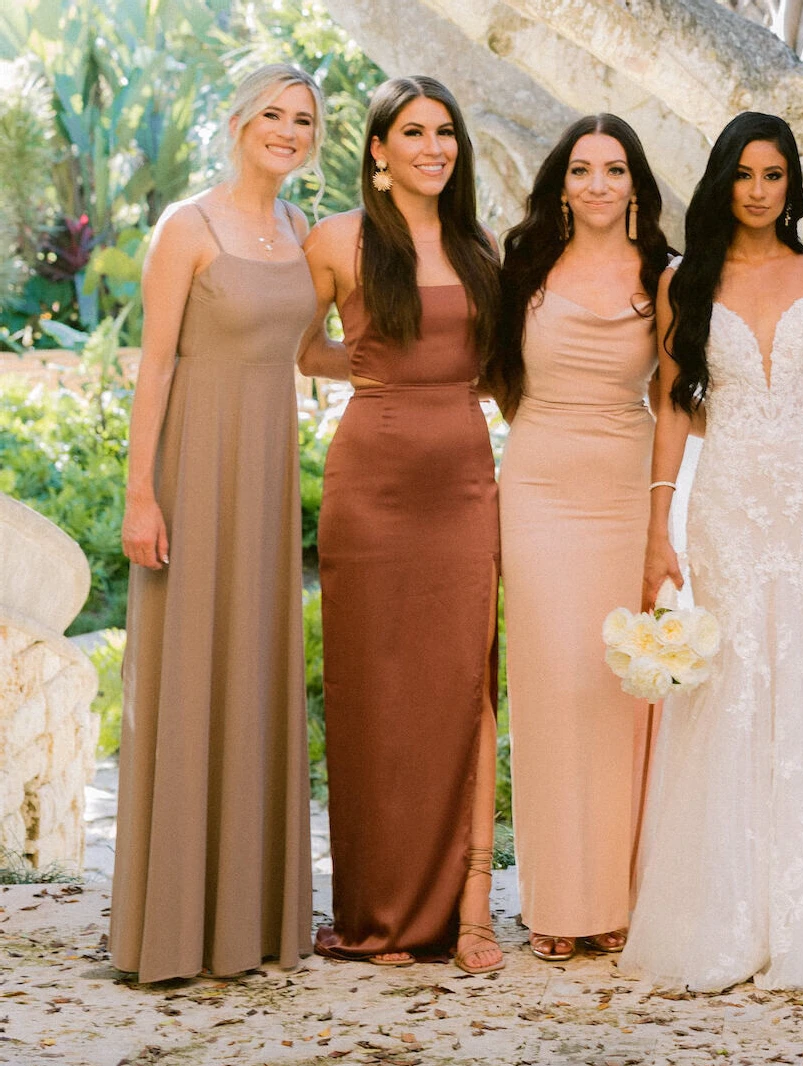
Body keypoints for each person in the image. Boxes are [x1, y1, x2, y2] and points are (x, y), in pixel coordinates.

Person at [621, 112, 803, 991]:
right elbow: (674, 404)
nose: (759, 191)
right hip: (724, 499)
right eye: (744, 175)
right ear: (722, 181)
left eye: (774, 175)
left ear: (791, 186)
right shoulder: (684, 282)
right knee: (732, 683)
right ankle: (720, 914)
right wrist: (660, 525)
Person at [112, 63, 322, 984]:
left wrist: (432, 364)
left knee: (255, 667)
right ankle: (172, 927)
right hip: (194, 472)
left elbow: (311, 349)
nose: (287, 130)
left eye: (303, 119)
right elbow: (153, 366)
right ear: (237, 121)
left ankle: (250, 918)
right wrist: (140, 494)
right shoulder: (185, 227)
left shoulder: (299, 228)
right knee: (193, 671)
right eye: (272, 114)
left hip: (270, 477)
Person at [297, 75, 503, 974]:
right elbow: (302, 346)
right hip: (371, 484)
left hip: (463, 479)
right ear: (377, 150)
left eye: (445, 132)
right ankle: (378, 914)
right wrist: (378, 369)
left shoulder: (479, 244)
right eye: (413, 132)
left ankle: (465, 914)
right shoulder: (337, 240)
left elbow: (494, 365)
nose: (433, 147)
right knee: (373, 697)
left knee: (460, 687)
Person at [488, 114, 672, 963]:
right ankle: (556, 904)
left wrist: (663, 511)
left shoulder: (664, 276)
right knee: (551, 682)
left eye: (614, 169)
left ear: (636, 183)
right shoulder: (521, 263)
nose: (598, 184)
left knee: (618, 686)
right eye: (582, 170)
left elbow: (675, 398)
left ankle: (619, 901)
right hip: (537, 484)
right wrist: (545, 434)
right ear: (560, 183)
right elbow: (497, 375)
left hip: (626, 485)